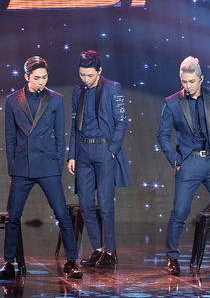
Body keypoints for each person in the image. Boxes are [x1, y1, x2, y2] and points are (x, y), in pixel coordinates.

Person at [0, 56, 83, 280]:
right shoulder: (12, 100)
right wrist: (11, 167)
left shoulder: (56, 99)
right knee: (13, 216)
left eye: (44, 77)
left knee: (62, 215)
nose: (41, 82)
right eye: (36, 78)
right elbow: (10, 137)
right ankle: (8, 262)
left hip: (47, 165)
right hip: (22, 165)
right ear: (27, 76)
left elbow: (60, 136)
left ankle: (71, 262)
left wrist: (57, 164)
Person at [156, 56, 210, 277]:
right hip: (189, 162)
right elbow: (162, 135)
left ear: (201, 79)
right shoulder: (172, 103)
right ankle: (172, 257)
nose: (188, 86)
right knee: (180, 211)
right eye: (184, 82)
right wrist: (176, 160)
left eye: (192, 81)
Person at [67, 50, 132, 269]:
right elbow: (74, 126)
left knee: (105, 204)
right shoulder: (78, 92)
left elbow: (122, 122)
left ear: (99, 71)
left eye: (89, 75)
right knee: (85, 204)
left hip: (104, 150)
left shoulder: (113, 88)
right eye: (82, 75)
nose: (85, 79)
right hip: (83, 151)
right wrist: (72, 155)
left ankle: (110, 251)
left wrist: (112, 150)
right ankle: (97, 249)